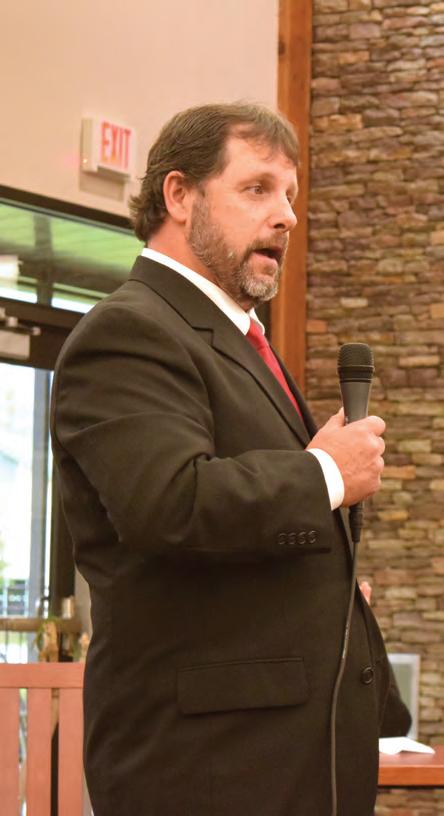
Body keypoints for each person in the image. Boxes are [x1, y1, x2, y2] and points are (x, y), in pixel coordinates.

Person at [50, 102, 409, 816]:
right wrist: (326, 472)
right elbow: (171, 504)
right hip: (208, 766)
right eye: (257, 189)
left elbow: (236, 543)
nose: (286, 216)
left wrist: (322, 589)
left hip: (284, 755)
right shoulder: (129, 331)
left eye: (291, 196)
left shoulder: (240, 338)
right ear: (179, 195)